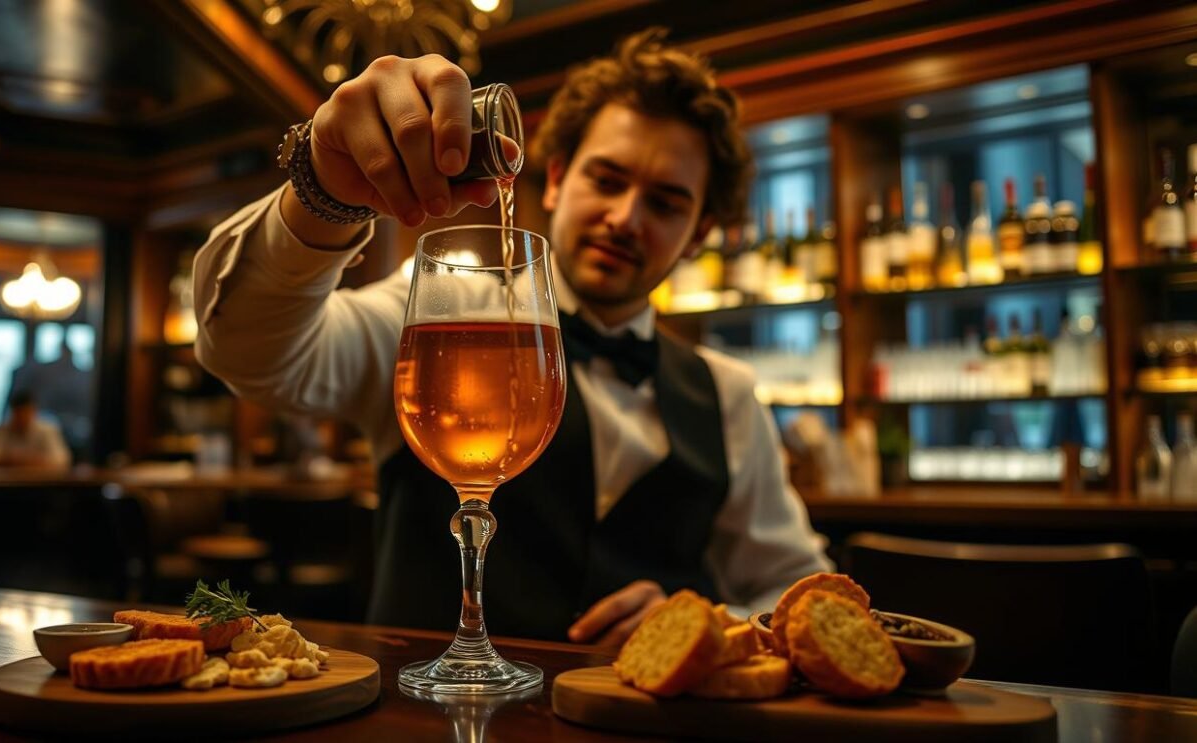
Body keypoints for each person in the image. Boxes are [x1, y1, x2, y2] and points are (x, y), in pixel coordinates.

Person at [193, 29, 832, 645]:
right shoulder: (441, 309)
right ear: (554, 179)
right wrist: (323, 194)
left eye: (665, 203)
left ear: (698, 234)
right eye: (606, 180)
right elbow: (255, 355)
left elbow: (797, 590)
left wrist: (710, 622)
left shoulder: (727, 395)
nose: (625, 218)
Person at [0, 390, 72, 469]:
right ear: (12, 412)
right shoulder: (0, 431)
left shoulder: (47, 430)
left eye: (26, 413)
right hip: (4, 486)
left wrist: (20, 461)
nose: (22, 417)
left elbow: (62, 461)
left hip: (41, 486)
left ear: (34, 411)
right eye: (18, 413)